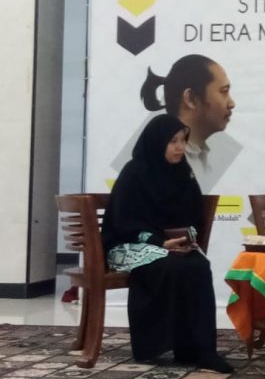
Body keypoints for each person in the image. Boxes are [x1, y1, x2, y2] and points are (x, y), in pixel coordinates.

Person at [101, 114, 233, 373]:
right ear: (157, 141)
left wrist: (183, 238)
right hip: (130, 245)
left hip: (171, 247)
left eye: (183, 140)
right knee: (171, 267)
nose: (180, 147)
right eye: (173, 141)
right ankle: (153, 344)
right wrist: (159, 242)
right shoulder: (134, 172)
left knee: (198, 266)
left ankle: (199, 350)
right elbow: (124, 221)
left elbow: (194, 215)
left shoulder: (184, 173)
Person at [140, 54, 236, 191]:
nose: (232, 103)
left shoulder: (202, 159)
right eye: (224, 91)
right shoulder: (157, 165)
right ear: (190, 98)